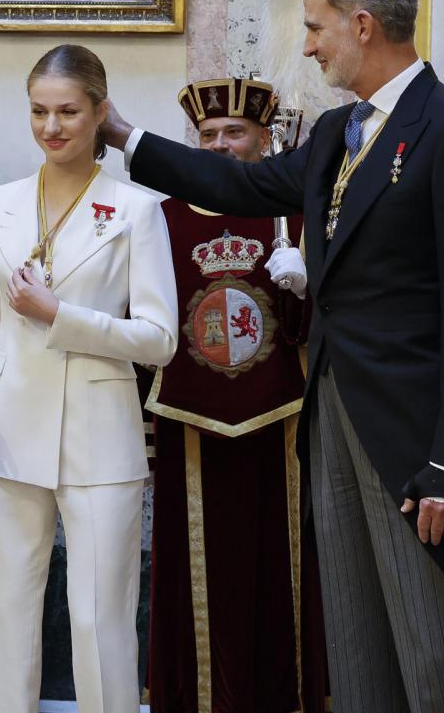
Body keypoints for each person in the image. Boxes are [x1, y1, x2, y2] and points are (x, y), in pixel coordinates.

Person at [102, 0, 444, 713]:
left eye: (315, 26)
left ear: (362, 25)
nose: (305, 45)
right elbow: (235, 181)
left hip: (415, 442)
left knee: (439, 655)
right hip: (331, 420)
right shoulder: (335, 134)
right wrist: (124, 135)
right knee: (357, 648)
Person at [0, 44, 177, 713]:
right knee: (13, 623)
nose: (52, 128)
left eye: (69, 112)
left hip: (100, 444)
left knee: (98, 623)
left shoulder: (136, 210)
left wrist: (62, 317)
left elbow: (160, 341)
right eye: (39, 112)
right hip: (5, 437)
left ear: (100, 112)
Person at [144, 77, 328, 713]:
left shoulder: (297, 215)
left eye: (234, 133)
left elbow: (334, 325)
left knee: (282, 580)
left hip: (283, 428)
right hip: (187, 425)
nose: (219, 146)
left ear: (265, 139)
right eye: (207, 135)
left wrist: (309, 290)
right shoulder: (161, 218)